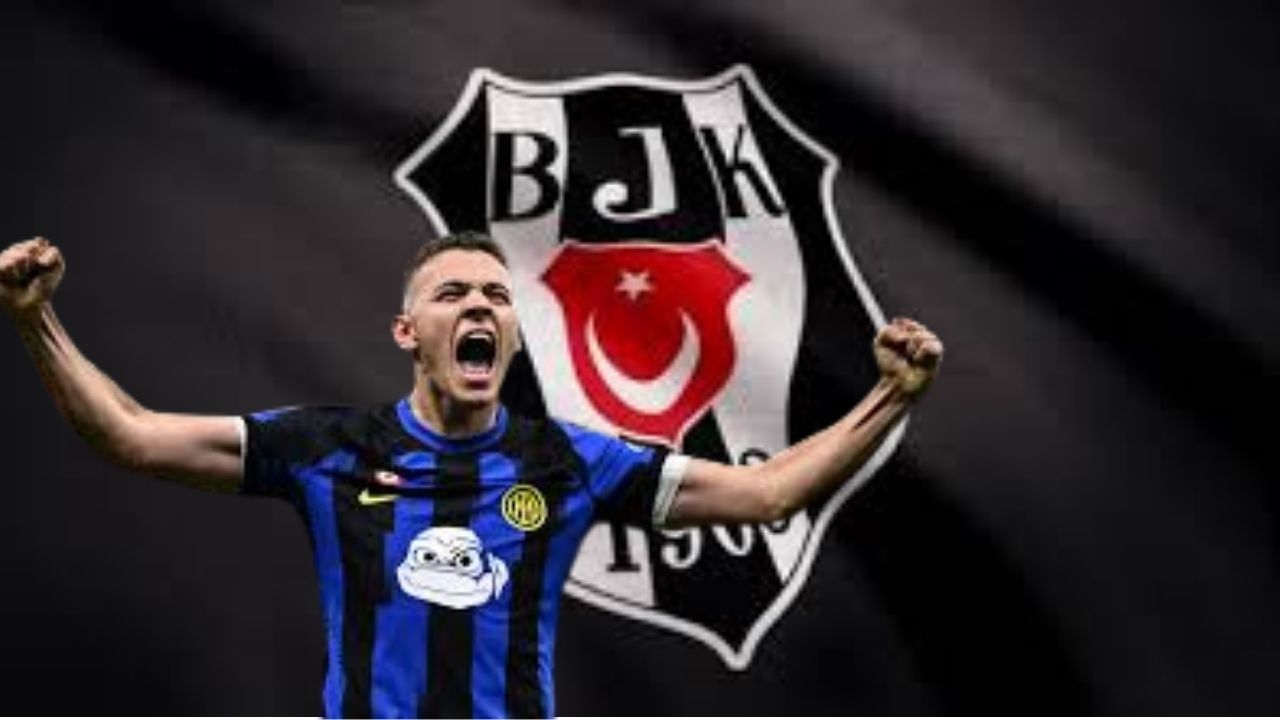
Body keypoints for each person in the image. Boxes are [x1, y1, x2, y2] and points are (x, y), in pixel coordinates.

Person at [0, 232, 943, 718]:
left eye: (497, 295)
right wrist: (36, 320)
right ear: (409, 332)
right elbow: (129, 434)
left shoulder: (568, 460)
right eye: (453, 294)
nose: (479, 307)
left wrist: (889, 397)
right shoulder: (329, 447)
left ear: (514, 333)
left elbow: (768, 492)